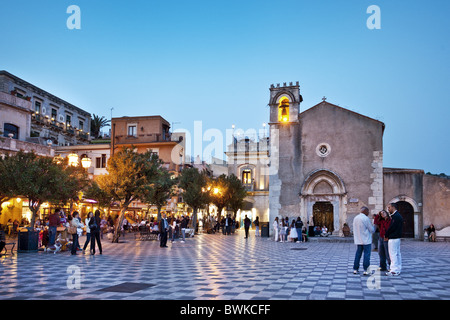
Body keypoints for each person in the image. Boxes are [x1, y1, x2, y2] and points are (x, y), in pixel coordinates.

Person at [352, 206, 375, 275]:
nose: (368, 213)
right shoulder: (366, 218)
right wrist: (375, 226)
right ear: (365, 211)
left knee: (358, 254)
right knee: (366, 255)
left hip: (358, 239)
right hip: (366, 240)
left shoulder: (355, 218)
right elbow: (371, 230)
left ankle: (355, 269)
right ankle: (366, 269)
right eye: (368, 212)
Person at [385, 203, 403, 276]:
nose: (388, 209)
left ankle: (394, 270)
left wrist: (386, 235)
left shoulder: (395, 216)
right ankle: (398, 268)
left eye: (389, 207)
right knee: (397, 254)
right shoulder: (397, 216)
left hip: (393, 237)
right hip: (397, 237)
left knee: (393, 254)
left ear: (393, 207)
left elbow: (392, 227)